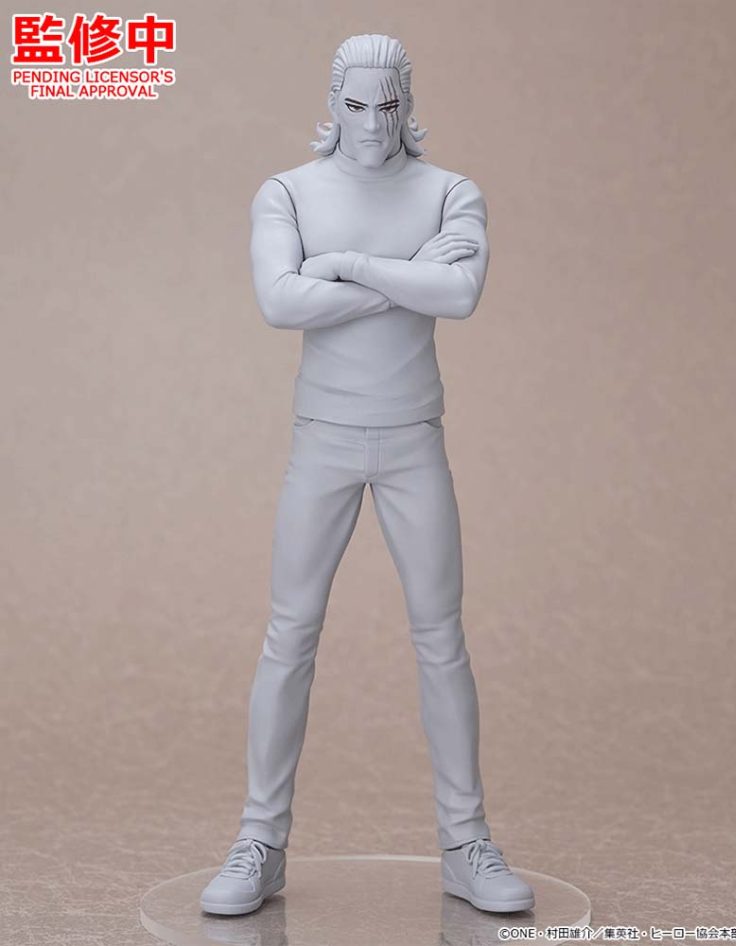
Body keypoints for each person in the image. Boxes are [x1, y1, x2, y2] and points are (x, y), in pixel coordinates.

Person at [200, 33, 535, 917]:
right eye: (357, 105)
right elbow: (279, 301)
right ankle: (259, 840)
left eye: (389, 106)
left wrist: (345, 266)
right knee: (289, 635)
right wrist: (407, 278)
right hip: (324, 440)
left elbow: (460, 294)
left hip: (414, 439)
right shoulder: (288, 191)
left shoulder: (449, 191)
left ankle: (465, 842)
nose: (374, 125)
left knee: (441, 640)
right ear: (333, 103)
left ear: (407, 104)